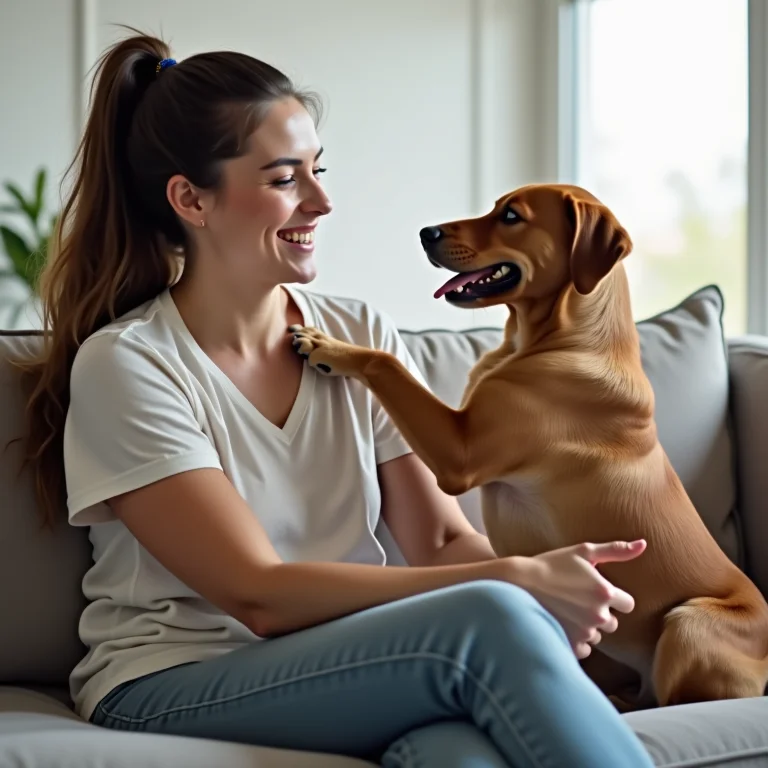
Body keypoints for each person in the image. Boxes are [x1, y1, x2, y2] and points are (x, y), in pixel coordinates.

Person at [21, 31, 656, 768]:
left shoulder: (356, 332)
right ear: (191, 198)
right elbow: (257, 594)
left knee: (459, 755)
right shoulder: (129, 365)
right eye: (287, 178)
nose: (322, 201)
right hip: (168, 679)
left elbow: (443, 541)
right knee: (493, 613)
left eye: (319, 170)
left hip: (340, 660)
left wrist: (546, 588)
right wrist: (517, 578)